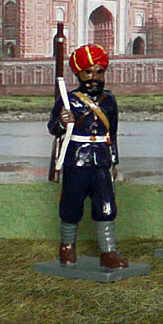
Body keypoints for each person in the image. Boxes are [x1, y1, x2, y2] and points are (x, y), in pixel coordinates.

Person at [48, 44, 127, 269]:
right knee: (71, 206)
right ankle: (67, 248)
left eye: (99, 72)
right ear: (79, 73)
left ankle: (108, 252)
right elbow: (52, 128)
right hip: (76, 160)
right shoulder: (68, 99)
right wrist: (62, 121)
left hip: (101, 161)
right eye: (88, 72)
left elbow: (112, 134)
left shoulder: (109, 101)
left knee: (106, 207)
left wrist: (113, 162)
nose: (94, 77)